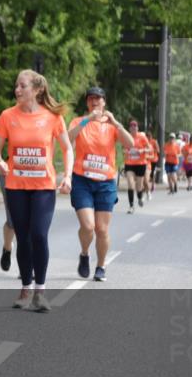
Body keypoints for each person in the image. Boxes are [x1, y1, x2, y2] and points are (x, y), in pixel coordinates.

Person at [0, 70, 73, 313]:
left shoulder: (52, 117)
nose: (17, 90)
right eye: (16, 85)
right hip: (16, 186)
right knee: (23, 237)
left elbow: (67, 148)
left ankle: (40, 292)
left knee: (39, 234)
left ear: (37, 90)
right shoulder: (7, 116)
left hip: (43, 187)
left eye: (22, 86)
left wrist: (67, 176)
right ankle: (26, 288)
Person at [67, 87, 132, 283]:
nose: (94, 102)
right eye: (90, 99)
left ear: (104, 102)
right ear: (87, 103)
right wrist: (87, 120)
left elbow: (130, 144)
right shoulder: (79, 121)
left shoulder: (111, 125)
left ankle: (101, 266)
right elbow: (67, 139)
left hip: (106, 182)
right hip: (82, 180)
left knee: (102, 229)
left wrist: (116, 123)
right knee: (88, 226)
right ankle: (84, 253)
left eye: (98, 98)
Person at [121, 119, 150, 213]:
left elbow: (149, 149)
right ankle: (131, 205)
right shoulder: (127, 137)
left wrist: (142, 150)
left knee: (139, 186)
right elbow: (123, 148)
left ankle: (140, 197)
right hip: (129, 163)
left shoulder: (142, 137)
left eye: (135, 126)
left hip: (140, 164)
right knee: (130, 183)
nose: (133, 128)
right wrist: (126, 151)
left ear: (137, 128)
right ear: (129, 128)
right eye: (131, 126)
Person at [146, 131, 160, 198]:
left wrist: (152, 150)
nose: (148, 138)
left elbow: (158, 150)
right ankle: (147, 186)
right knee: (147, 174)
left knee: (152, 174)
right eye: (147, 137)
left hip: (154, 159)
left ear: (151, 137)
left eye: (149, 137)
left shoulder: (154, 141)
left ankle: (153, 185)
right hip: (147, 160)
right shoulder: (145, 141)